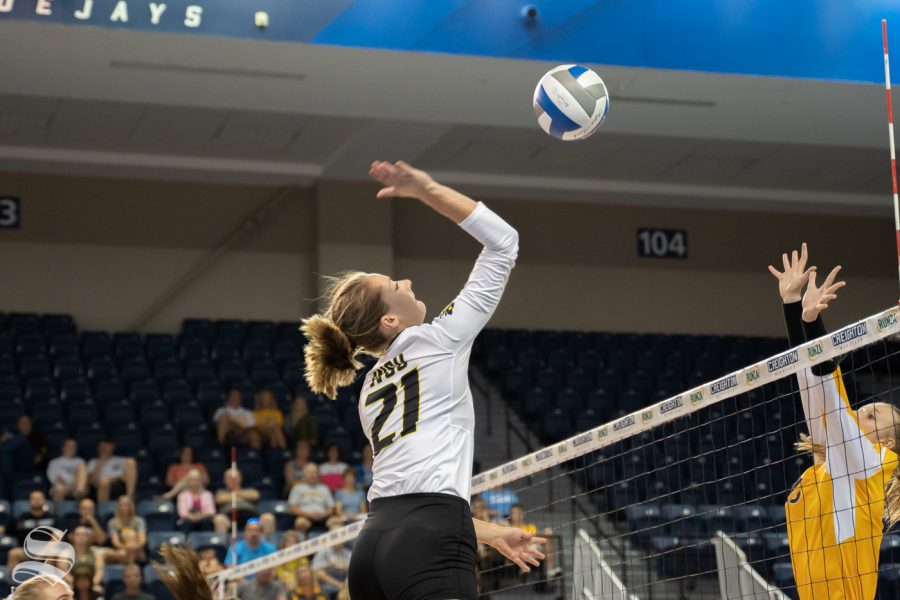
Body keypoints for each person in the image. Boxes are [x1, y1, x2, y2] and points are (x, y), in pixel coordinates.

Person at [301, 161, 544, 600]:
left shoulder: (370, 389)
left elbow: (411, 497)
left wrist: (487, 533)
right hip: (428, 538)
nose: (408, 280)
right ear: (390, 319)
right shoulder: (438, 339)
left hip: (373, 546)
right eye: (397, 283)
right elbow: (503, 243)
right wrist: (426, 189)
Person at [768, 243, 900, 600]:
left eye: (872, 416)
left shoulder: (876, 466)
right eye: (863, 409)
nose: (859, 412)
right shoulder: (828, 468)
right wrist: (792, 307)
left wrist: (812, 323)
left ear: (887, 443)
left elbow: (829, 393)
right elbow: (810, 384)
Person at [287, 463, 334, 534]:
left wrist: (324, 514)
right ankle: (302, 544)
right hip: (304, 517)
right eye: (309, 472)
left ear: (318, 474)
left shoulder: (324, 488)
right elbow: (293, 508)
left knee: (336, 522)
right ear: (304, 474)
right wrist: (309, 514)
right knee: (300, 523)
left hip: (323, 518)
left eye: (314, 472)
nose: (312, 475)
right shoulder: (297, 488)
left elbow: (331, 508)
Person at [0, 415, 49, 482]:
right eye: (22, 422)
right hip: (15, 463)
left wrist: (40, 456)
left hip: (30, 462)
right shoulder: (14, 435)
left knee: (20, 440)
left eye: (27, 422)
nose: (25, 424)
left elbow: (44, 449)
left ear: (31, 424)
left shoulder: (37, 436)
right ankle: (6, 482)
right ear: (18, 425)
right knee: (6, 454)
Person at [212, 468, 261, 535]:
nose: (233, 479)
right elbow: (220, 499)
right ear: (224, 480)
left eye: (235, 477)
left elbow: (255, 495)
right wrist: (243, 497)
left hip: (251, 519)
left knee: (268, 518)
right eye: (229, 478)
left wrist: (232, 496)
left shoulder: (249, 489)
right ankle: (221, 545)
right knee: (219, 519)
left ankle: (266, 545)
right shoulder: (221, 492)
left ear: (240, 478)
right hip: (230, 520)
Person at [311, 525, 351, 598]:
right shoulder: (322, 551)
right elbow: (318, 573)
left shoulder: (348, 554)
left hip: (344, 585)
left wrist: (345, 585)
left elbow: (351, 573)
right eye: (335, 536)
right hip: (326, 584)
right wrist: (338, 585)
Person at [106, 495, 146, 564]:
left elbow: (142, 540)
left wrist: (133, 547)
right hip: (121, 549)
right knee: (122, 553)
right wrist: (127, 548)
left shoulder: (139, 521)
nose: (124, 508)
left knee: (131, 534)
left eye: (127, 505)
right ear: (118, 507)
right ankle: (130, 568)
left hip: (137, 549)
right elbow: (116, 542)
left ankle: (131, 568)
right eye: (121, 505)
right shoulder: (112, 522)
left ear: (131, 507)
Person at [47, 438, 88, 503]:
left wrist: (73, 482)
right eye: (69, 446)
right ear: (63, 448)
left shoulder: (80, 461)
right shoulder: (54, 462)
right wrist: (73, 477)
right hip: (60, 486)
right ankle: (56, 512)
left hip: (76, 487)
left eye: (74, 446)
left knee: (81, 468)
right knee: (60, 488)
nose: (71, 448)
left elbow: (83, 479)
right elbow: (53, 478)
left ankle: (79, 507)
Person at [70, 526, 106, 593]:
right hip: (72, 584)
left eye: (84, 535)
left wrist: (91, 584)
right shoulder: (66, 554)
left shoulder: (97, 553)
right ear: (72, 537)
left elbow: (99, 572)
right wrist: (77, 584)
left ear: (89, 537)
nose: (81, 537)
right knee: (68, 590)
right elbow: (65, 573)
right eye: (78, 535)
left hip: (92, 584)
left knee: (98, 590)